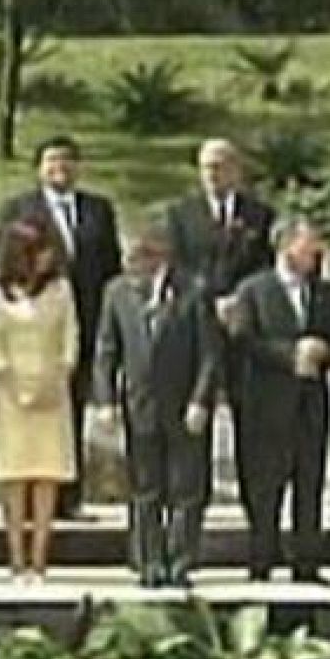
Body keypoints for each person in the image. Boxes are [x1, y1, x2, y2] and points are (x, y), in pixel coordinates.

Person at [0, 136, 122, 520]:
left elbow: (110, 270)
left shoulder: (98, 210)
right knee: (31, 417)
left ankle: (69, 499)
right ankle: (30, 504)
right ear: (39, 168)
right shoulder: (18, 209)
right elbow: (3, 267)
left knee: (72, 415)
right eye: (52, 160)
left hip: (82, 327)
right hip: (32, 332)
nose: (60, 167)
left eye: (68, 161)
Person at [92, 225, 222, 589]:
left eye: (139, 257)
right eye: (129, 258)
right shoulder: (117, 293)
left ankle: (180, 562)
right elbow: (106, 350)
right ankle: (148, 562)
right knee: (145, 488)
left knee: (185, 488)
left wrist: (201, 399)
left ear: (159, 255)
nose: (132, 264)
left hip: (184, 406)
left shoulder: (194, 291)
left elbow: (210, 355)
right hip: (141, 405)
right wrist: (104, 400)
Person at [229, 216, 330, 584]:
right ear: (287, 246)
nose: (316, 252)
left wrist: (322, 352)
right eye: (309, 243)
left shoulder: (324, 293)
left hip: (311, 402)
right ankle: (262, 561)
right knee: (265, 485)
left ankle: (306, 563)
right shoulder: (253, 290)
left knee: (309, 482)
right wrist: (291, 354)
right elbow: (244, 339)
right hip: (267, 402)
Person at [165, 138, 276, 502]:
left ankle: (253, 493)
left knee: (250, 412)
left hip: (243, 325)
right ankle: (196, 494)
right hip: (197, 326)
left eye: (219, 166)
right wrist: (205, 301)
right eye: (205, 167)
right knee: (197, 407)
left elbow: (265, 267)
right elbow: (177, 266)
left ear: (236, 170)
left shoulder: (259, 215)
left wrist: (240, 300)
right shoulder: (181, 213)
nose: (211, 174)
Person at [0, 221, 79, 584]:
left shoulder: (61, 289)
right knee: (14, 476)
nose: (48, 257)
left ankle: (40, 559)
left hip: (52, 389)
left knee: (46, 474)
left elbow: (71, 337)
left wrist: (59, 377)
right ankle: (16, 559)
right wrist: (13, 383)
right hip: (10, 393)